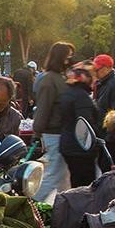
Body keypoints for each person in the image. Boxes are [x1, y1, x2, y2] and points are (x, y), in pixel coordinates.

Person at [32, 41, 75, 200]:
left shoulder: (58, 78)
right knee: (55, 175)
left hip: (60, 131)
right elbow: (44, 108)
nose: (70, 60)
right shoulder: (50, 80)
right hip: (54, 132)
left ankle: (62, 208)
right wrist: (37, 132)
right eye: (68, 56)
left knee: (62, 176)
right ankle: (32, 205)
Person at [56, 61, 104, 188]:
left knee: (76, 183)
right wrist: (96, 142)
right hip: (81, 148)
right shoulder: (82, 96)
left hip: (69, 144)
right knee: (85, 186)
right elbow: (85, 123)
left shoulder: (68, 93)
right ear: (84, 77)